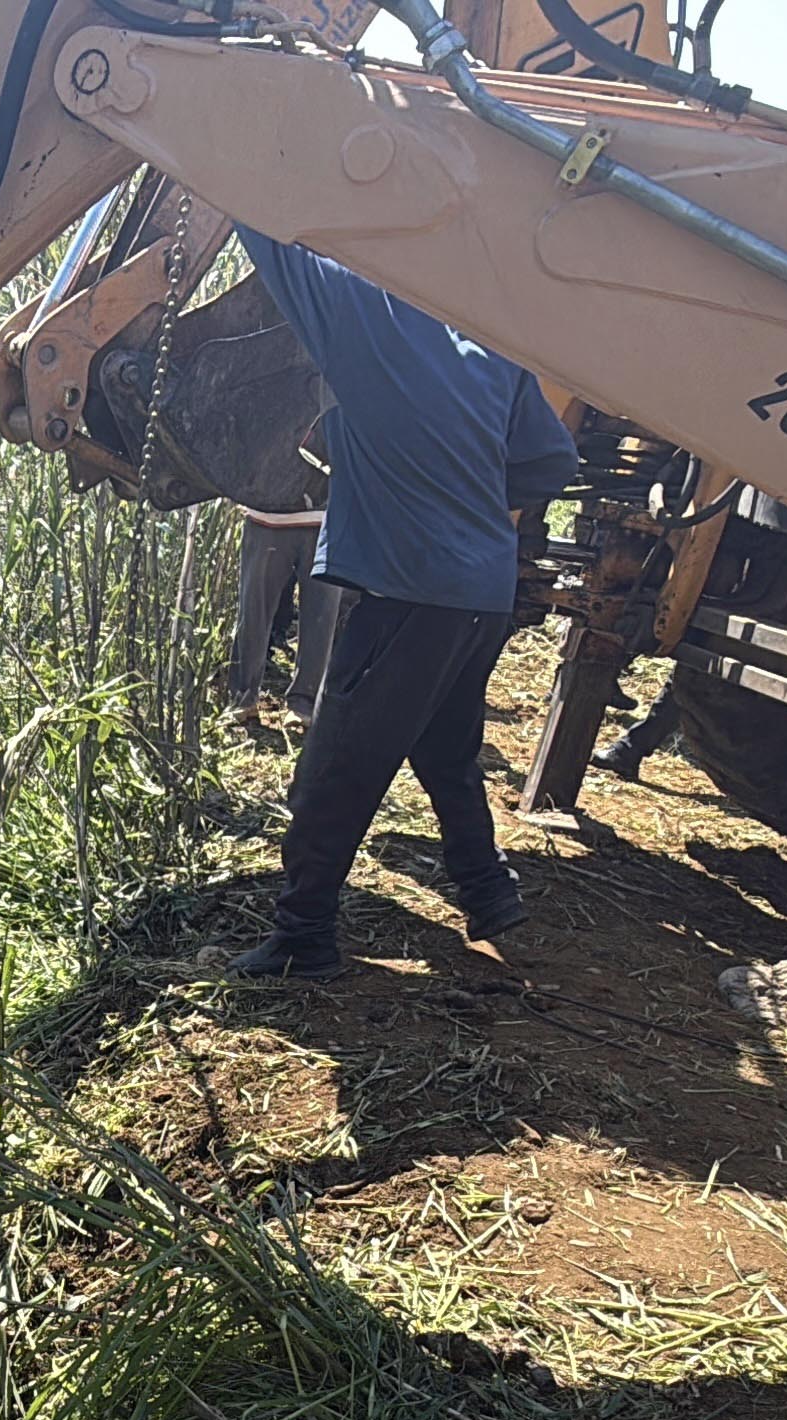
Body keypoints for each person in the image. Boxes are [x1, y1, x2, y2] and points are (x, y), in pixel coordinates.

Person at [229, 232, 580, 973]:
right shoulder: (489, 344)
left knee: (335, 769)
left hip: (409, 593)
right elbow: (551, 459)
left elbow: (267, 233)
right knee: (446, 748)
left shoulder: (361, 311)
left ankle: (303, 938)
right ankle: (488, 893)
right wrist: (477, 505)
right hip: (482, 596)